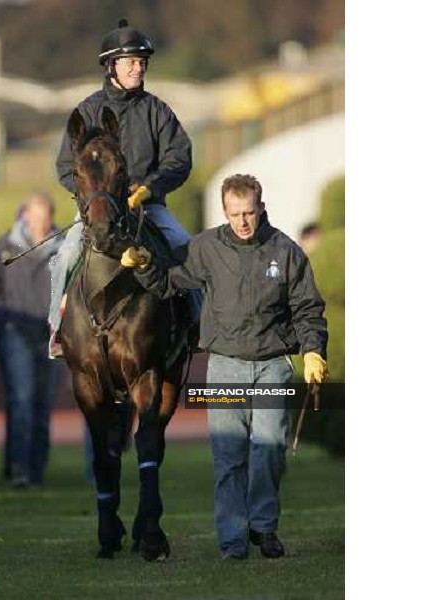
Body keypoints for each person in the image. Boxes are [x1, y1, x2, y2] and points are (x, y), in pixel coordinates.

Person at [121, 174, 329, 560]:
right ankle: (233, 540)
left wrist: (314, 350)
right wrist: (144, 267)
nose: (243, 222)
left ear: (261, 207)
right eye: (235, 214)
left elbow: (307, 309)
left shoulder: (286, 251)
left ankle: (264, 528)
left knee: (269, 452)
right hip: (224, 367)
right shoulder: (206, 247)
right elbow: (168, 284)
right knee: (229, 458)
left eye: (249, 212)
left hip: (273, 365)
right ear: (225, 211)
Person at [48, 19, 195, 358]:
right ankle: (56, 329)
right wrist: (92, 199)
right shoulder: (86, 111)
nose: (138, 67)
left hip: (147, 205)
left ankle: (195, 323)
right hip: (97, 208)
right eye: (131, 61)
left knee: (183, 246)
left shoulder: (157, 110)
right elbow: (65, 166)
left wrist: (149, 188)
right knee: (66, 255)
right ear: (111, 66)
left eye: (142, 62)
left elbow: (180, 157)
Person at [0, 192, 63, 488]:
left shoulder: (63, 247)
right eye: (35, 216)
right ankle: (19, 469)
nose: (40, 222)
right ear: (26, 214)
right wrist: (5, 319)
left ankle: (36, 470)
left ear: (51, 216)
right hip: (16, 334)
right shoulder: (7, 244)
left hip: (51, 336)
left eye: (45, 217)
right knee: (22, 401)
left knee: (42, 405)